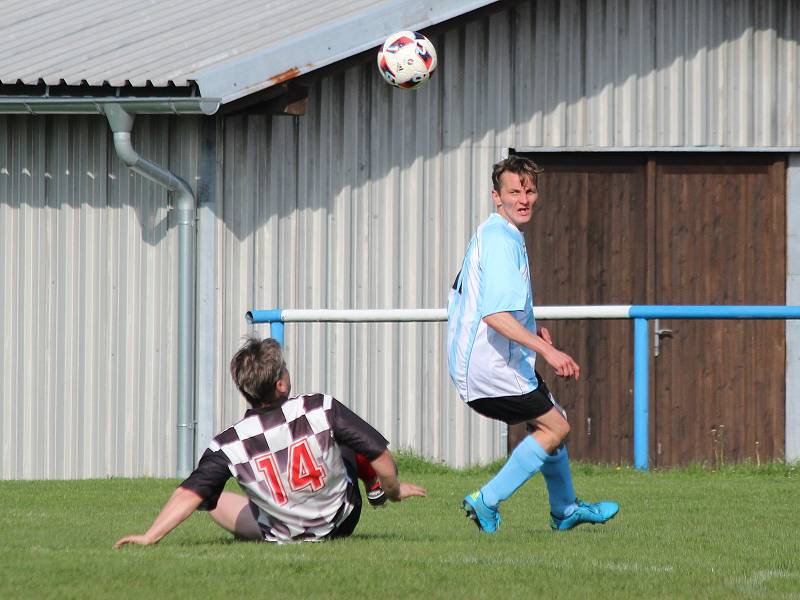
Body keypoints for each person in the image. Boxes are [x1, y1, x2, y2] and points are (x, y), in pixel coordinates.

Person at [115, 337, 426, 547]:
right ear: (280, 384)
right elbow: (380, 454)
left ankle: (281, 521)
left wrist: (150, 536)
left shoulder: (228, 445)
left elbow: (188, 494)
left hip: (285, 535)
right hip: (339, 523)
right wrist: (394, 489)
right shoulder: (319, 408)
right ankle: (374, 490)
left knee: (210, 496)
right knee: (346, 439)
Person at [447, 156, 619, 533]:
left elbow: (496, 307)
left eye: (529, 190)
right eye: (514, 191)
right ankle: (487, 500)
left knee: (554, 423)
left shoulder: (503, 234)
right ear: (497, 196)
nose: (523, 199)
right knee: (555, 428)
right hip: (487, 367)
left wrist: (534, 331)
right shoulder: (499, 240)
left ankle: (565, 509)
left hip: (495, 362)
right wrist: (548, 351)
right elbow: (494, 316)